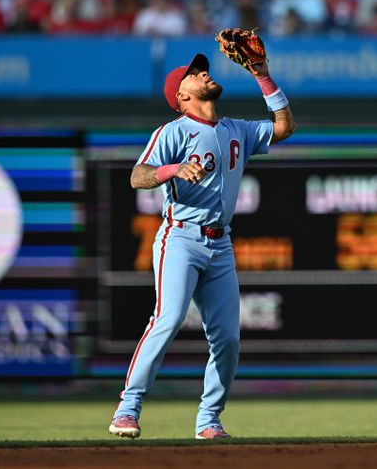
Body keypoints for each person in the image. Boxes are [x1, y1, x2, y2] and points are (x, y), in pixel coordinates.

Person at [109, 50, 295, 440]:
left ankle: (209, 420)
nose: (204, 73)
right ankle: (127, 409)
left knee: (227, 337)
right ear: (181, 95)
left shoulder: (236, 129)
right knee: (168, 318)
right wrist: (173, 169)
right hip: (180, 238)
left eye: (203, 69)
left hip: (220, 244)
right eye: (194, 74)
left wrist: (263, 77)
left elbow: (283, 128)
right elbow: (137, 177)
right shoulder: (172, 131)